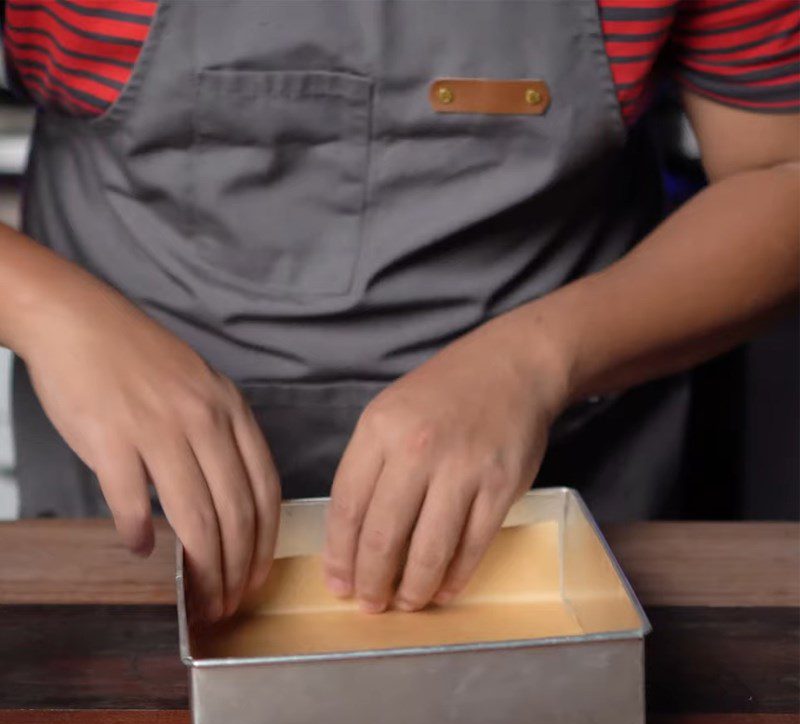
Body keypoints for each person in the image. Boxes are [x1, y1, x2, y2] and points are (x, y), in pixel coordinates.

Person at [0, 0, 797, 622]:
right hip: (126, 490)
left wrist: (534, 362)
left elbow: (780, 175)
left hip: (571, 474)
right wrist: (48, 311)